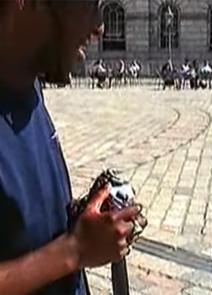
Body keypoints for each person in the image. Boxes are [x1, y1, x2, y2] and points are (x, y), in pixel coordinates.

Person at [0, 0, 145, 294]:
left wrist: (85, 220)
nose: (99, 28)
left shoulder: (28, 83)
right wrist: (75, 250)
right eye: (90, 4)